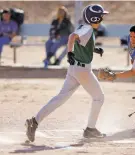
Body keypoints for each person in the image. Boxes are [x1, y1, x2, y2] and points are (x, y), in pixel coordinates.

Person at [25, 4, 108, 142]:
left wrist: (94, 49)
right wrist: (69, 53)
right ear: (94, 18)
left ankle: (34, 121)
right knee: (99, 98)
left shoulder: (85, 27)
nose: (102, 19)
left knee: (60, 98)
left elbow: (81, 41)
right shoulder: (87, 29)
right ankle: (90, 129)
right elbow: (72, 37)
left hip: (74, 69)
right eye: (100, 17)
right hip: (82, 70)